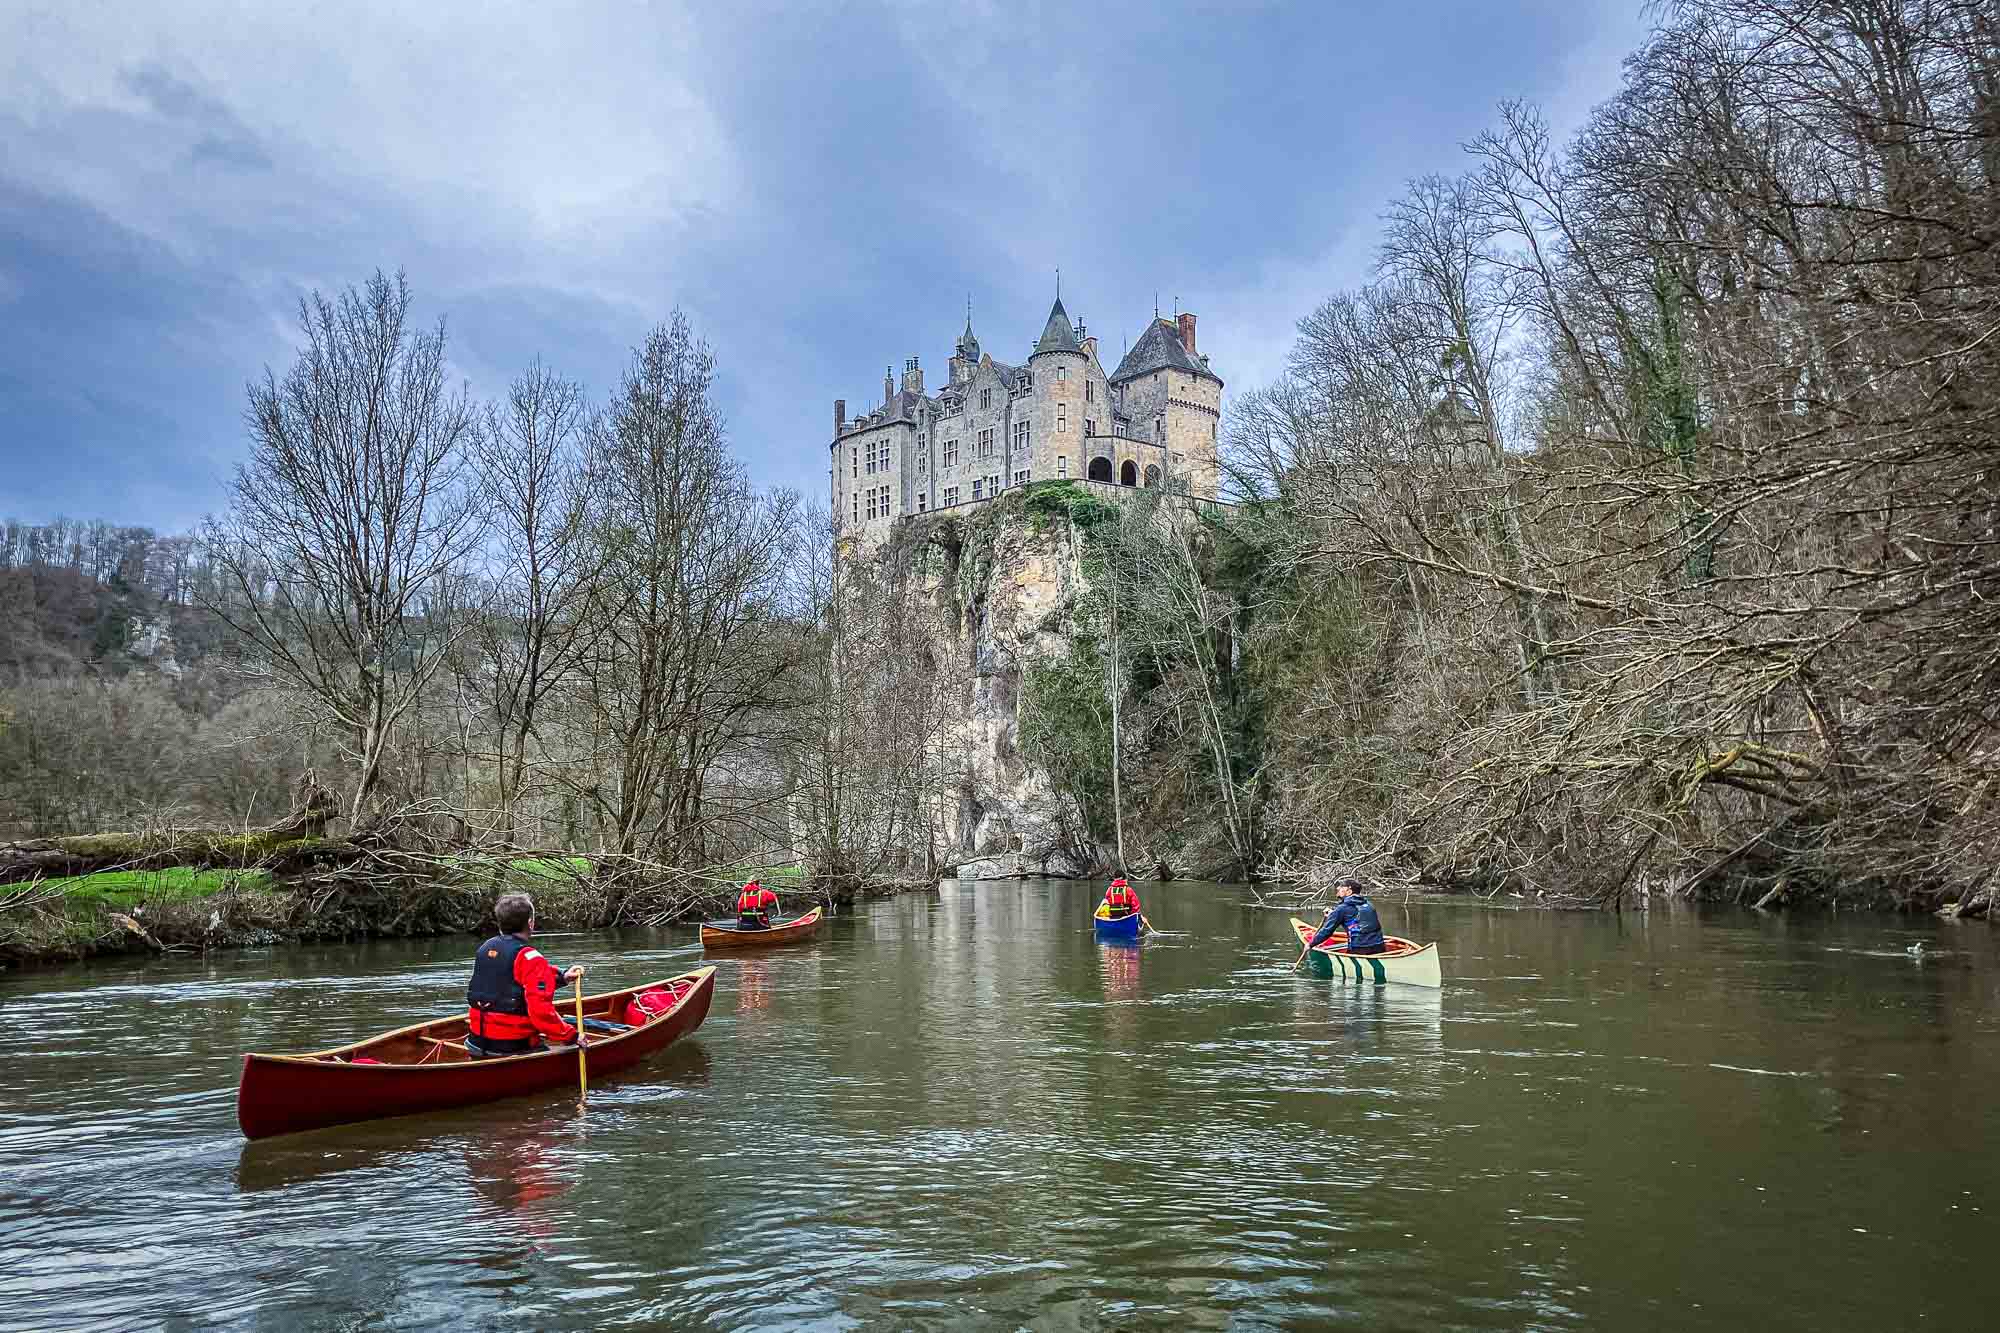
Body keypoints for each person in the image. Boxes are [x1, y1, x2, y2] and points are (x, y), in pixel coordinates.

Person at [465, 892, 585, 1058]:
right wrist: (572, 1036)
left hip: (476, 1042)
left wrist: (562, 977)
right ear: (530, 923)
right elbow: (541, 1013)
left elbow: (511, 978)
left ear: (500, 924)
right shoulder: (531, 958)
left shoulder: (486, 948)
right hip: (512, 1047)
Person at [1309, 878, 1387, 955]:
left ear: (1349, 891)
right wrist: (1333, 914)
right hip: (1380, 946)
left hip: (1359, 950)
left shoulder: (1341, 909)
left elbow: (1326, 932)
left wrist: (1310, 944)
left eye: (1342, 886)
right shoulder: (1368, 904)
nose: (1338, 888)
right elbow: (1354, 915)